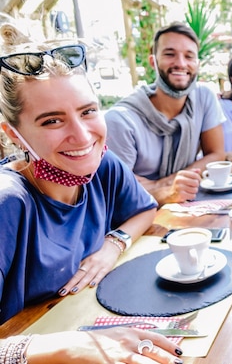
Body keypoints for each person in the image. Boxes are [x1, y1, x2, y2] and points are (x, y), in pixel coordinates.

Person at [0, 24, 183, 363]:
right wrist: (75, 347)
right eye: (52, 121)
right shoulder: (7, 202)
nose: (83, 136)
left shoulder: (103, 166)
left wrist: (113, 245)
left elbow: (144, 210)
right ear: (14, 133)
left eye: (88, 112)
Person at [105, 22, 226, 206]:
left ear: (197, 64)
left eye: (189, 56)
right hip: (140, 216)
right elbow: (117, 192)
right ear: (153, 61)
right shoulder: (122, 120)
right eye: (170, 54)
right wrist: (165, 191)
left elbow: (216, 154)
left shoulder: (204, 97)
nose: (180, 63)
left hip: (188, 206)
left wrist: (164, 184)